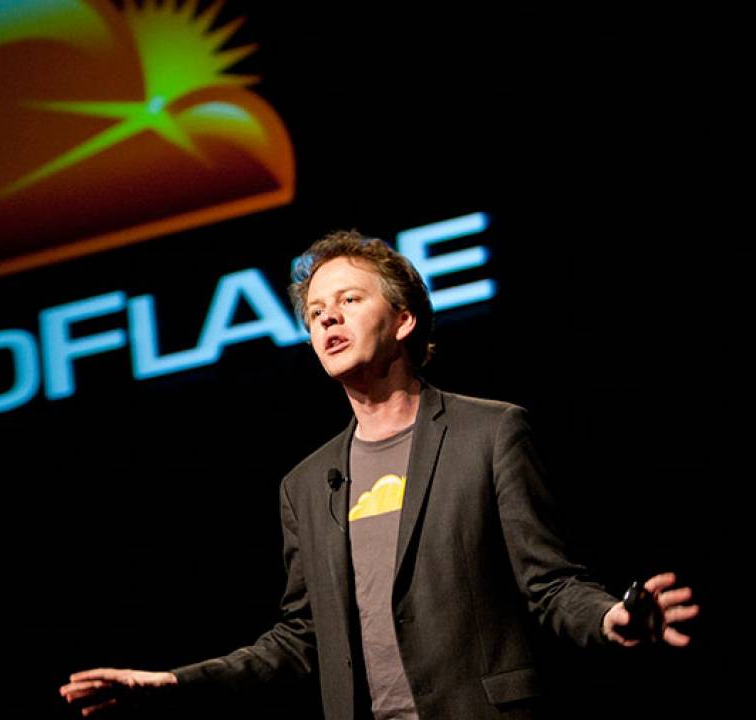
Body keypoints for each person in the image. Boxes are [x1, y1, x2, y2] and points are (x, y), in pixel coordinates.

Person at [58, 230, 699, 718]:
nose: (327, 318)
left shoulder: (490, 432)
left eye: (348, 300)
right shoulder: (305, 485)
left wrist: (610, 618)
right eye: (315, 311)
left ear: (402, 319)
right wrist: (174, 682)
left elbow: (550, 584)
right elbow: (301, 639)